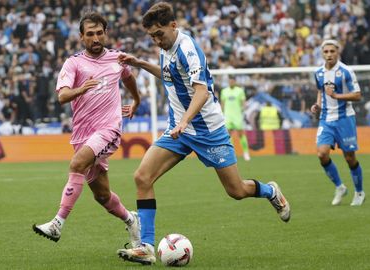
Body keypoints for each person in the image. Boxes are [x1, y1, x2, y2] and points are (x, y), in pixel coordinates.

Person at [116, 2, 291, 265]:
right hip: (179, 130)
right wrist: (140, 63)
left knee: (236, 190)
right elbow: (167, 76)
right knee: (142, 176)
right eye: (151, 36)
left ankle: (270, 191)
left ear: (173, 26)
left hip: (208, 130)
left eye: (159, 34)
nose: (156, 40)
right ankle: (146, 246)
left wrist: (185, 121)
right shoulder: (166, 47)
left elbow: (202, 91)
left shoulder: (188, 49)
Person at [32, 12, 142, 249]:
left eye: (99, 33)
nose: (95, 38)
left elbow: (129, 78)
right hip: (83, 134)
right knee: (102, 196)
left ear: (105, 33)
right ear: (81, 37)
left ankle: (57, 223)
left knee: (76, 164)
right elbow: (62, 96)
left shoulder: (117, 59)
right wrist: (82, 89)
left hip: (109, 129)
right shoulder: (73, 63)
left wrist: (136, 101)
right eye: (90, 34)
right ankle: (132, 220)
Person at [310, 39, 365, 206]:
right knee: (322, 154)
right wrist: (317, 105)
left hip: (345, 118)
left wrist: (336, 96)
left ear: (337, 52)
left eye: (332, 51)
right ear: (322, 53)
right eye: (326, 52)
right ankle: (340, 187)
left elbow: (357, 95)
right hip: (326, 119)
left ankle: (359, 191)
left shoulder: (346, 71)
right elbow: (321, 91)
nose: (329, 55)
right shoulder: (318, 72)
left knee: (349, 158)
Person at [221, 77, 251, 160]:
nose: (231, 82)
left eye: (232, 81)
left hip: (237, 116)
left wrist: (244, 109)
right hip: (228, 116)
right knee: (228, 135)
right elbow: (223, 104)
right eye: (229, 81)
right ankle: (231, 154)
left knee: (241, 134)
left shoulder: (240, 91)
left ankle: (246, 153)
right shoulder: (224, 91)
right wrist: (222, 114)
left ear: (235, 81)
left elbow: (243, 103)